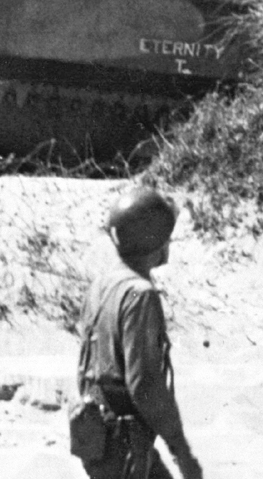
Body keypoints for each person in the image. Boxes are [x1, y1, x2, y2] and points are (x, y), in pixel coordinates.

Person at [73, 188, 203, 479]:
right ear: (157, 240)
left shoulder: (100, 286)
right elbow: (144, 382)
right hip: (123, 441)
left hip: (96, 435)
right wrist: (181, 450)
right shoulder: (140, 294)